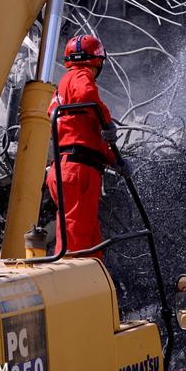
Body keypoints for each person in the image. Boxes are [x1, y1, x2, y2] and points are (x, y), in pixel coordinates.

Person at [46, 34, 123, 257]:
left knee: (90, 240)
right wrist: (106, 121)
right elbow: (88, 94)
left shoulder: (63, 92)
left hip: (71, 166)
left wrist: (114, 160)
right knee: (75, 242)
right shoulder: (79, 76)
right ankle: (70, 286)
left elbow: (84, 137)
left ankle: (94, 284)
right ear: (98, 61)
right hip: (77, 169)